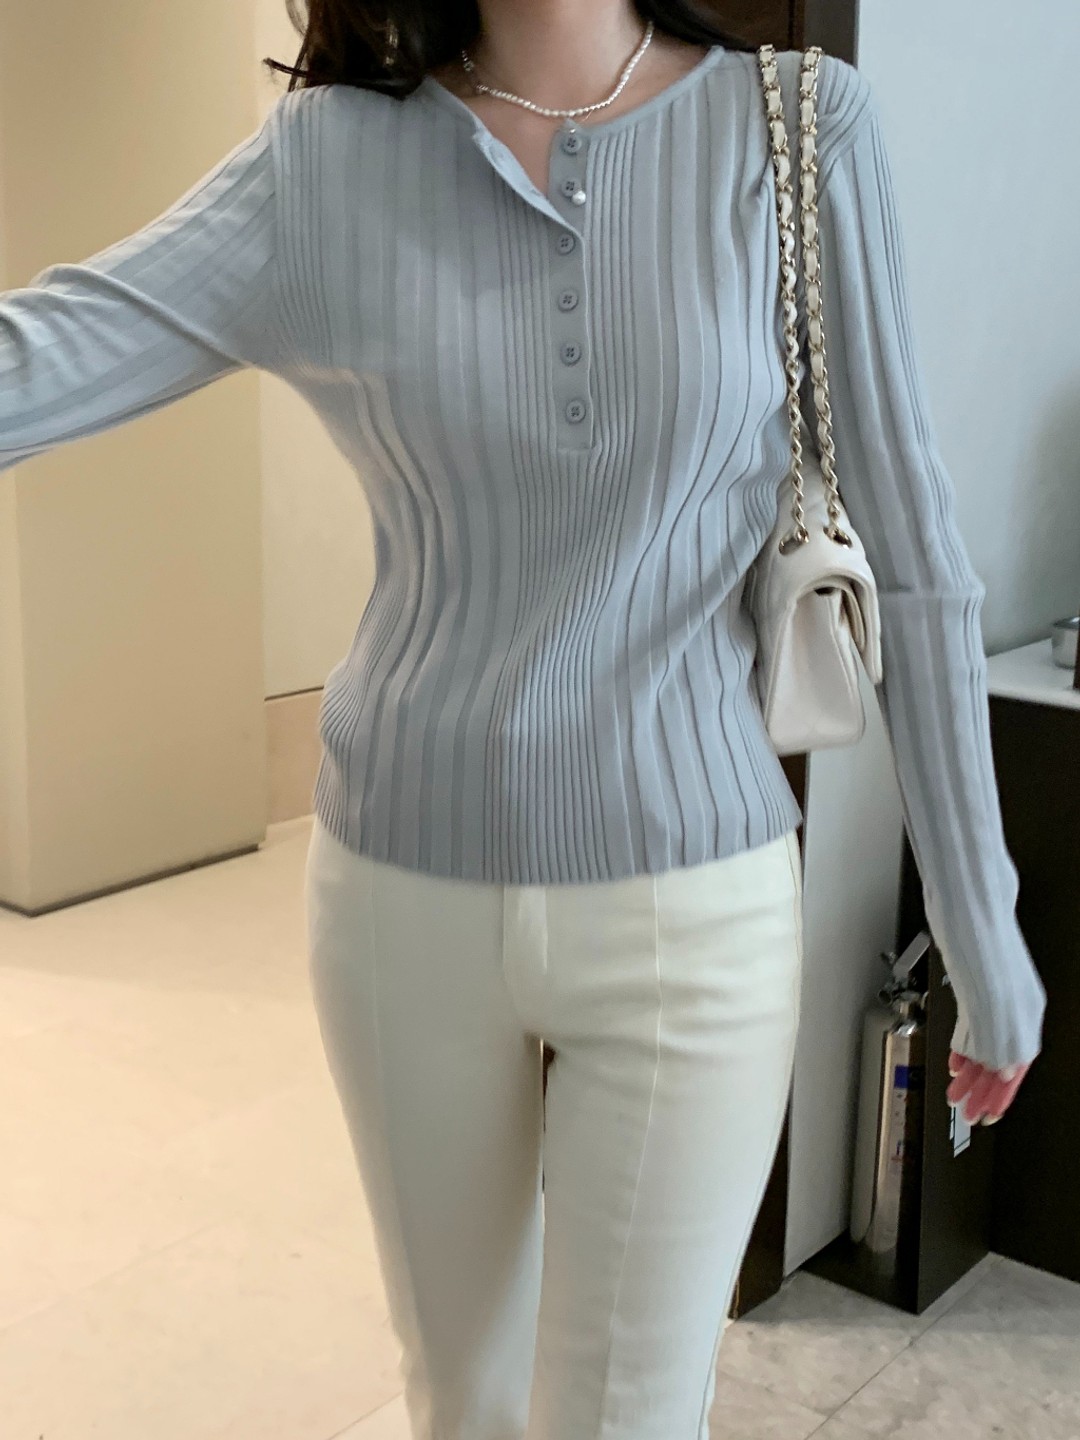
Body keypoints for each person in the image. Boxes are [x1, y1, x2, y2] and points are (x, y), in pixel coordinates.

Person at [0, 2, 1047, 1436]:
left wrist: (982, 926)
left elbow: (918, 562)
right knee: (464, 1400)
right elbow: (44, 354)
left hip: (694, 898)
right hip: (401, 892)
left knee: (632, 1414)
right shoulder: (326, 160)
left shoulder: (797, 132)